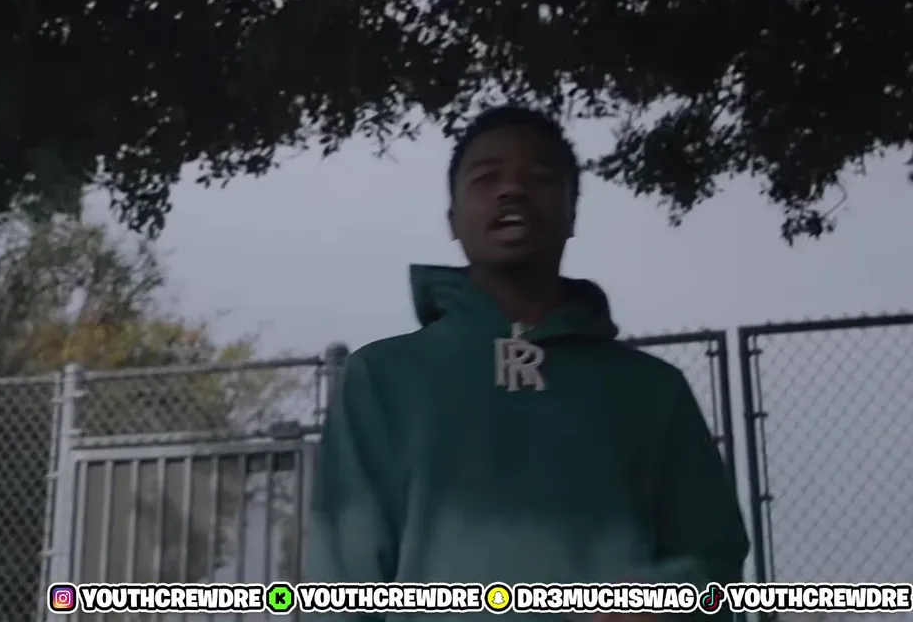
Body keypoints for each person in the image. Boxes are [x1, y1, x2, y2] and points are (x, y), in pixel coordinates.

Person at [305, 106, 749, 618]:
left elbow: (714, 563)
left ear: (572, 213)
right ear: (453, 220)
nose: (512, 190)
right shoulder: (381, 379)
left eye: (539, 176)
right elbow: (341, 581)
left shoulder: (653, 390)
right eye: (486, 177)